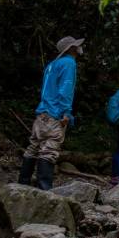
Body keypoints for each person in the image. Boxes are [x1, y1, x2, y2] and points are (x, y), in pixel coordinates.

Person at [18, 36, 84, 190]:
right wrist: (66, 112)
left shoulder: (52, 65)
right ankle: (44, 190)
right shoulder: (69, 63)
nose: (79, 48)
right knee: (50, 150)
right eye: (77, 46)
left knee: (33, 147)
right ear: (71, 48)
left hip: (42, 112)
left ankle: (22, 184)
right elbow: (65, 89)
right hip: (56, 113)